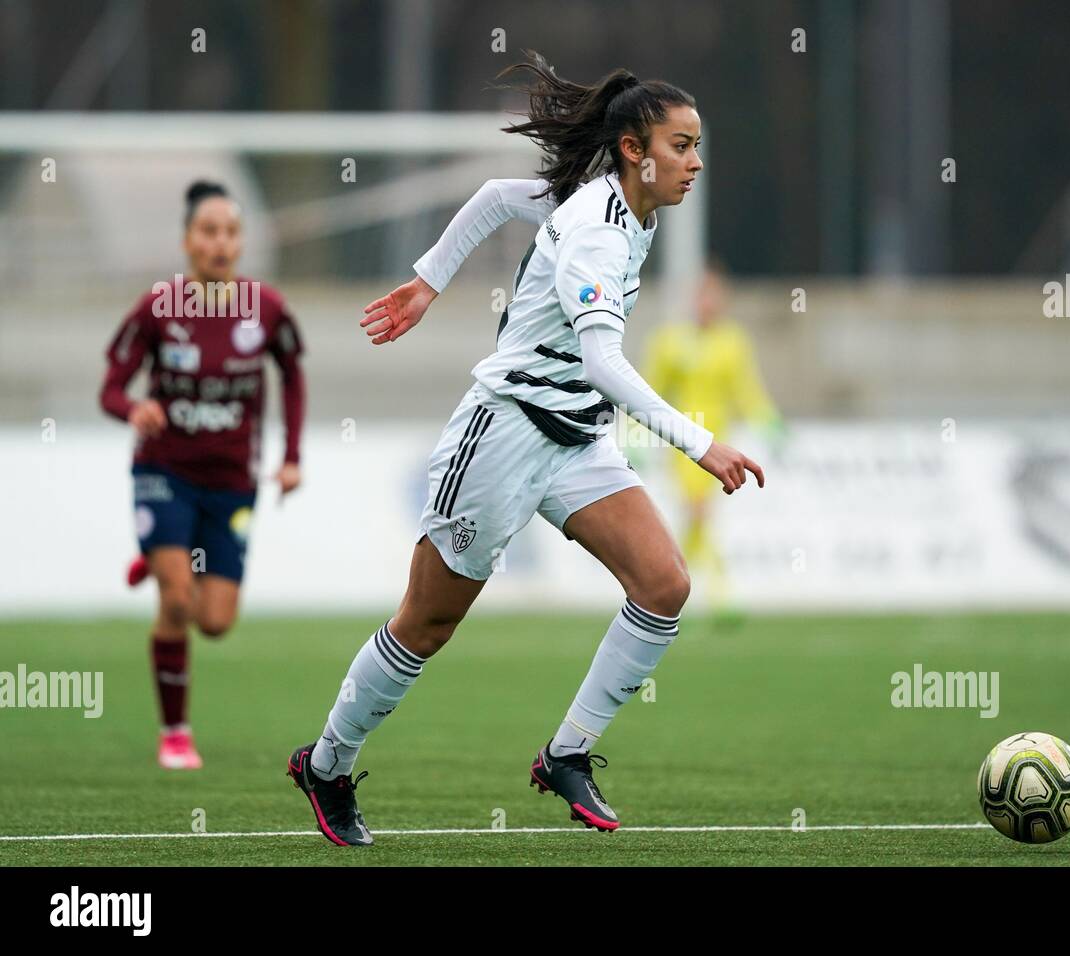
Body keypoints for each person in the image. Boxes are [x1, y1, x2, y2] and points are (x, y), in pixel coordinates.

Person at [286, 51, 763, 846]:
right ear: (634, 151)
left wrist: (430, 282)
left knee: (663, 584)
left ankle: (566, 754)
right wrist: (699, 443)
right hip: (504, 431)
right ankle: (327, 763)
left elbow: (499, 196)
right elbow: (606, 362)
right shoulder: (595, 233)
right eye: (681, 144)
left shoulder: (617, 207)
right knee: (426, 625)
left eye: (696, 144)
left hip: (575, 440)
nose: (696, 160)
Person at [100, 181, 306, 769]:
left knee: (214, 622)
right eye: (208, 231)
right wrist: (132, 409)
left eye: (231, 232)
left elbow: (292, 376)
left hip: (230, 482)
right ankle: (175, 733)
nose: (220, 243)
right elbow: (110, 388)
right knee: (177, 597)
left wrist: (291, 456)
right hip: (163, 471)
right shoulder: (156, 308)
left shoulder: (266, 309)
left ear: (242, 242)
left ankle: (161, 553)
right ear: (188, 240)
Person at [643, 259, 783, 619]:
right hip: (684, 441)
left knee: (697, 519)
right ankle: (719, 593)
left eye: (714, 297)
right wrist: (634, 434)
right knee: (697, 512)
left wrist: (767, 420)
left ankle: (671, 593)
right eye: (703, 297)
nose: (708, 304)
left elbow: (746, 389)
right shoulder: (671, 342)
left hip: (720, 441)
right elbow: (648, 389)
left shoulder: (732, 342)